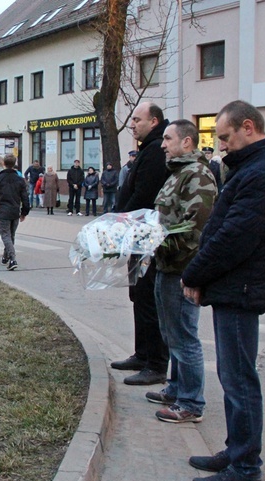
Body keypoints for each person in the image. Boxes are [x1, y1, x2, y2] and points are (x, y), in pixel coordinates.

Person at [182, 101, 265, 481]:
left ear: (249, 127)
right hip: (235, 287)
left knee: (240, 380)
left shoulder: (264, 173)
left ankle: (246, 468)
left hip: (241, 289)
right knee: (233, 377)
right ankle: (236, 451)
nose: (221, 146)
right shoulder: (254, 169)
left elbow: (235, 236)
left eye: (225, 138)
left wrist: (194, 273)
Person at [146, 119, 217, 425]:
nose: (163, 144)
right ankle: (177, 389)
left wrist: (155, 240)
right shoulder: (179, 173)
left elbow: (194, 229)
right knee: (171, 334)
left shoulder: (198, 175)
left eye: (168, 138)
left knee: (184, 336)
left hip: (181, 269)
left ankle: (190, 402)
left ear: (187, 142)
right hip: (166, 265)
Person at [112, 101, 170, 386]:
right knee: (138, 296)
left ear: (154, 122)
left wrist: (120, 221)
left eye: (137, 119)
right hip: (138, 237)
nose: (132, 124)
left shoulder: (156, 152)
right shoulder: (148, 149)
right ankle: (142, 353)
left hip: (147, 239)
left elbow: (144, 197)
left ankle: (156, 364)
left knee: (149, 298)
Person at [0, 153, 29, 271]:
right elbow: (25, 197)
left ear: (4, 164)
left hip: (3, 210)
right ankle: (5, 257)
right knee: (11, 235)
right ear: (14, 163)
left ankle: (12, 258)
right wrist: (24, 212)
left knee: (6, 235)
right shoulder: (20, 179)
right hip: (15, 211)